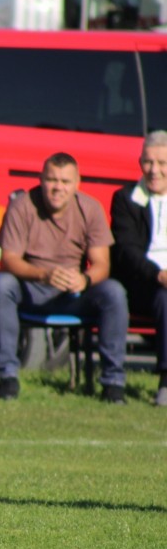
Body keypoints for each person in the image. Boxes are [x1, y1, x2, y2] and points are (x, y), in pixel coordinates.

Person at [0, 152, 128, 403]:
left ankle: (113, 383)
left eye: (65, 182)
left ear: (77, 183)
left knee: (114, 291)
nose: (57, 188)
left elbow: (102, 264)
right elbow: (8, 260)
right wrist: (42, 274)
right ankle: (7, 377)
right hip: (31, 288)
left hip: (74, 293)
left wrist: (84, 280)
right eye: (52, 180)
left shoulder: (90, 208)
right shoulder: (22, 205)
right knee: (2, 284)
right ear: (41, 179)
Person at [110, 130, 167, 407]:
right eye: (148, 162)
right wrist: (158, 274)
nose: (154, 170)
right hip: (142, 284)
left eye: (162, 163)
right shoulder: (125, 199)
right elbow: (127, 250)